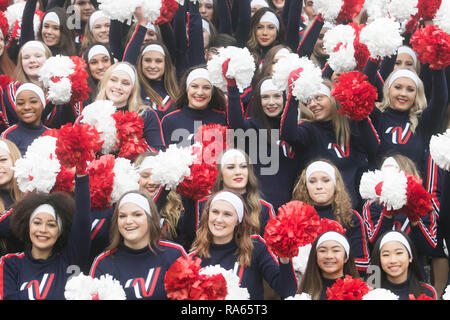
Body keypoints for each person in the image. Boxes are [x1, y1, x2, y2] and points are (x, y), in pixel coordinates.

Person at [280, 79, 380, 210]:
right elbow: (288, 134)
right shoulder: (308, 129)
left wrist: (360, 113)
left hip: (349, 211)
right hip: (316, 210)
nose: (313, 104)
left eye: (318, 98)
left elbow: (373, 147)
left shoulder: (351, 125)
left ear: (333, 99)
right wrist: (293, 95)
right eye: (308, 101)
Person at [189, 190, 298, 300]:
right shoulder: (193, 258)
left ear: (238, 220)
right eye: (215, 212)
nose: (219, 219)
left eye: (227, 214)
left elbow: (287, 292)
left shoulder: (255, 248)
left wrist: (284, 258)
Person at [0, 173, 91, 300]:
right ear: (28, 226)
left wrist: (82, 177)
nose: (43, 230)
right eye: (37, 223)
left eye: (51, 225)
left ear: (60, 231)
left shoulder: (69, 260)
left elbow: (83, 222)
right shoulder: (10, 263)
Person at [89, 191, 187, 300]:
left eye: (137, 214)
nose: (128, 221)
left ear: (150, 218)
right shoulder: (103, 262)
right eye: (122, 216)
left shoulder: (174, 254)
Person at [226, 75, 299, 210]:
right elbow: (236, 124)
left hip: (290, 209)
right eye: (265, 97)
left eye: (277, 96)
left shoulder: (295, 129)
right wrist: (232, 87)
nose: (271, 102)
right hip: (257, 208)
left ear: (285, 97)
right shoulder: (251, 126)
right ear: (258, 101)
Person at [361, 154, 438, 276]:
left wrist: (414, 215)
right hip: (377, 272)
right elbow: (374, 244)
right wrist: (387, 211)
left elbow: (429, 248)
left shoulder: (425, 203)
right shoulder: (371, 204)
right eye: (384, 174)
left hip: (414, 271)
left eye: (393, 174)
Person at [292, 160, 370, 274]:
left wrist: (330, 267)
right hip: (304, 285)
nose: (319, 186)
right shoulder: (295, 217)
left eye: (326, 180)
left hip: (342, 285)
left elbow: (363, 264)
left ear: (335, 184)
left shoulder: (351, 217)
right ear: (305, 186)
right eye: (312, 181)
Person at [94, 61, 165, 152]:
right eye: (113, 80)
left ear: (132, 90)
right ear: (105, 82)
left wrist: (136, 144)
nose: (118, 86)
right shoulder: (91, 114)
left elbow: (159, 152)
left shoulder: (146, 115)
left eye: (125, 83)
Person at [160, 66, 227, 147]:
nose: (200, 92)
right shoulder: (170, 120)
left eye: (206, 88)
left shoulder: (223, 118)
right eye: (194, 86)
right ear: (187, 89)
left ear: (212, 92)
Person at [367, 230, 437, 300]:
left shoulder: (427, 292)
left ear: (410, 257)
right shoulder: (369, 292)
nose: (393, 260)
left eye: (399, 253)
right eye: (386, 255)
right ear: (379, 259)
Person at [134, 152, 184, 243]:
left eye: (156, 176)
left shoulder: (176, 210)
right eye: (145, 176)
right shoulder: (125, 209)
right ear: (135, 179)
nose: (151, 182)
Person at [298, 231, 360, 300]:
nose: (329, 256)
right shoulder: (305, 292)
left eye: (336, 250)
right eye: (322, 251)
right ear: (315, 257)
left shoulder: (359, 291)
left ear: (346, 258)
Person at [1, 83, 49, 155]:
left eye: (33, 102)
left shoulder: (52, 133)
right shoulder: (9, 135)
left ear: (43, 104)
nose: (26, 107)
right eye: (20, 103)